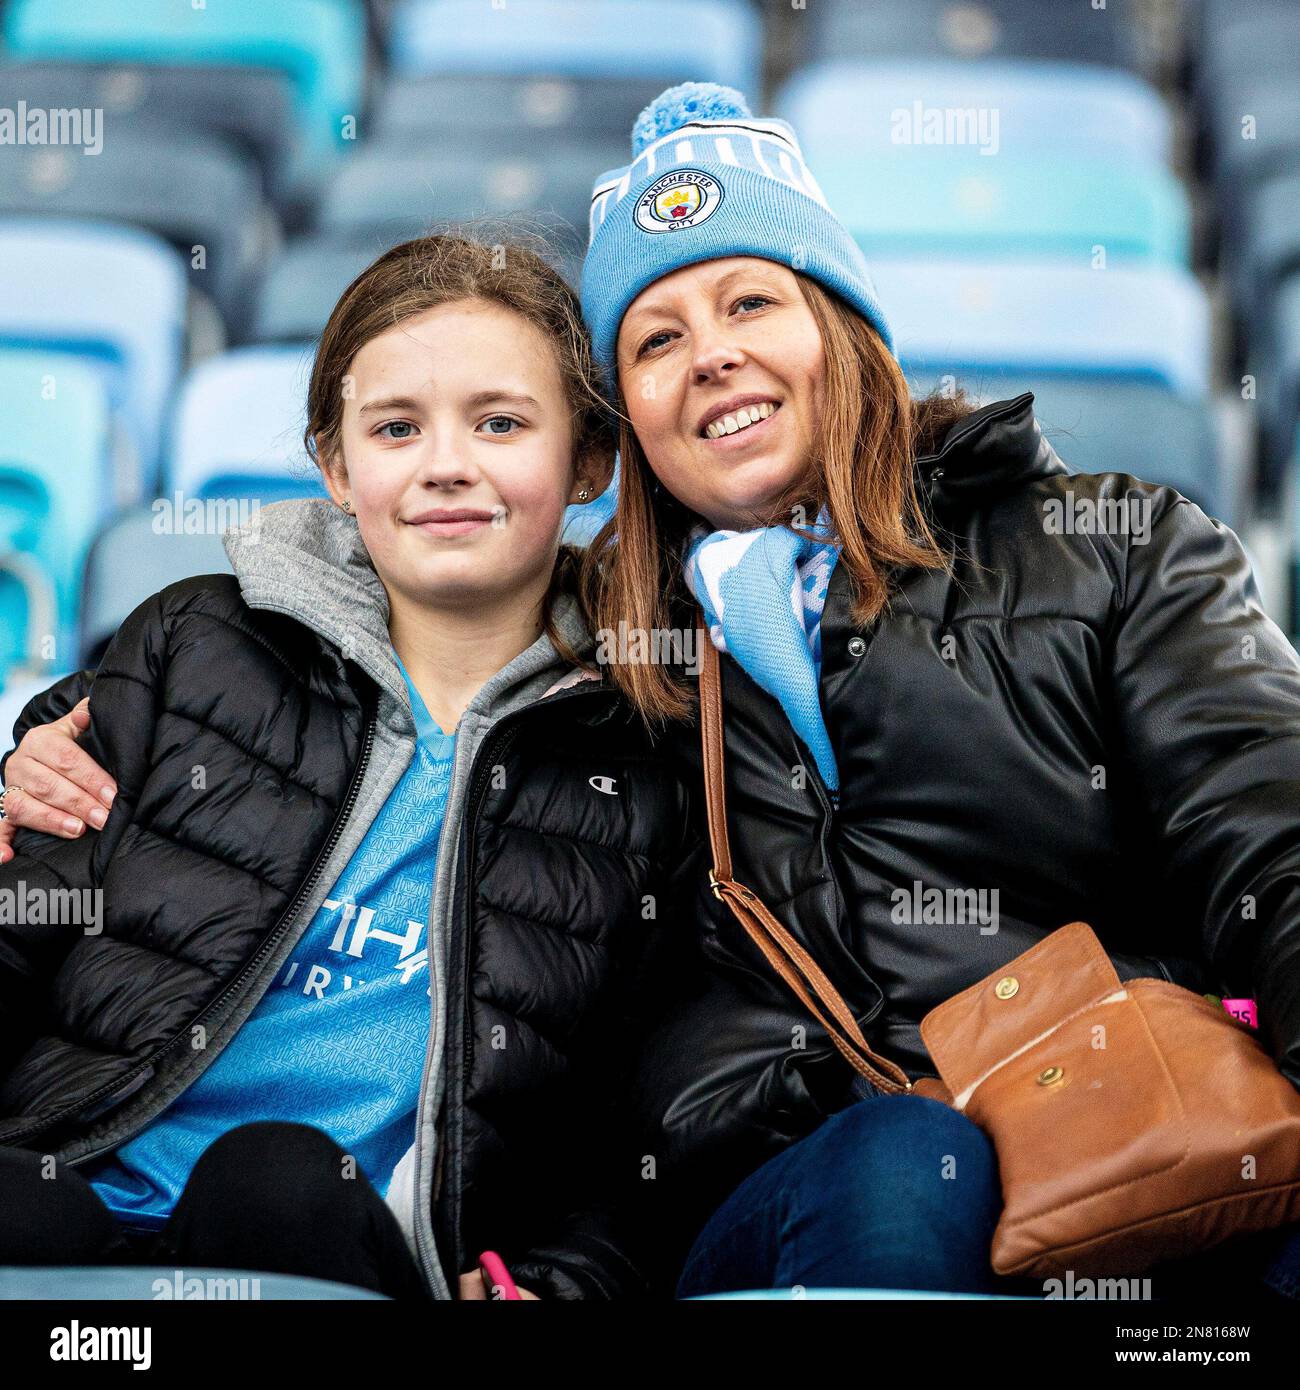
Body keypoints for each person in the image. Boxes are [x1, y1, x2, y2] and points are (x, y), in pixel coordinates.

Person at [11, 83, 1300, 1304]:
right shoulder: (627, 669)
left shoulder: (1113, 546)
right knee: (909, 1159)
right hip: (804, 1177)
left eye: (752, 304)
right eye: (658, 338)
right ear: (625, 418)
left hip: (1129, 1125)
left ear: (841, 330)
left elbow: (1272, 849)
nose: (714, 360)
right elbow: (584, 1069)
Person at [0, 231, 690, 1301]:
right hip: (87, 1184)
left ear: (590, 459)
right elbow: (20, 922)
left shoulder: (647, 749)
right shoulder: (197, 643)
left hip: (354, 1239)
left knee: (272, 1176)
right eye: (396, 427)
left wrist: (557, 1280)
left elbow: (639, 1110)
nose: (446, 463)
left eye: (500, 423)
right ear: (336, 462)